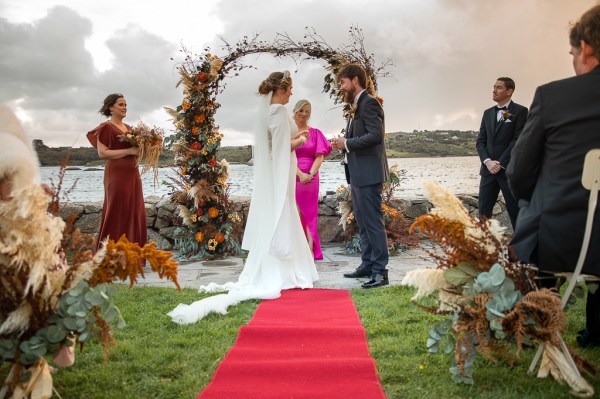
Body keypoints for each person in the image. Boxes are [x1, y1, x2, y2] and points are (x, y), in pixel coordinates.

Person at [168, 71, 318, 324]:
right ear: (282, 88)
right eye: (291, 88)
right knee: (283, 215)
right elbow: (281, 149)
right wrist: (301, 140)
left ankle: (275, 268)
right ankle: (288, 273)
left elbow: (271, 147)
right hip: (279, 178)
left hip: (269, 178)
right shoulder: (280, 112)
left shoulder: (265, 113)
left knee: (273, 219)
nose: (292, 93)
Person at [507, 4, 600, 347]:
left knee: (538, 219)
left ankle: (537, 321)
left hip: (565, 244)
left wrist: (533, 202)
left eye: (573, 53)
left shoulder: (554, 96)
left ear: (586, 48)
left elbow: (518, 173)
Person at [331, 64, 390, 289]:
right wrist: (343, 144)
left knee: (373, 223)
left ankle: (380, 272)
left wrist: (346, 143)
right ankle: (367, 265)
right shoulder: (356, 105)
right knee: (364, 223)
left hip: (368, 173)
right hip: (357, 173)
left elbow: (375, 136)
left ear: (355, 80)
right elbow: (360, 137)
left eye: (343, 82)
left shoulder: (370, 103)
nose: (342, 87)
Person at [86, 94, 146, 251]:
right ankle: (109, 253)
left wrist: (148, 148)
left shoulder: (131, 129)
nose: (125, 107)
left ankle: (131, 253)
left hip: (133, 173)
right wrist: (129, 150)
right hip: (117, 175)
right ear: (111, 108)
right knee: (116, 211)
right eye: (121, 104)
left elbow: (137, 152)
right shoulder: (106, 127)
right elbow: (102, 153)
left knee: (134, 210)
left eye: (126, 104)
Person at [476, 77, 528, 230]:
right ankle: (482, 249)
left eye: (498, 87)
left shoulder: (520, 111)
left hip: (508, 171)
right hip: (488, 171)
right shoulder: (487, 113)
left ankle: (520, 251)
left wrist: (500, 163)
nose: (494, 90)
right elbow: (480, 141)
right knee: (483, 214)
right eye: (494, 87)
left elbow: (518, 140)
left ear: (509, 91)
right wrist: (488, 162)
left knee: (515, 212)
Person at [293, 99, 332, 260]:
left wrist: (309, 173)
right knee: (294, 212)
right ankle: (296, 248)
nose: (304, 114)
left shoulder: (315, 133)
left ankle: (309, 248)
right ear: (295, 111)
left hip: (311, 177)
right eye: (301, 110)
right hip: (292, 175)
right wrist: (299, 174)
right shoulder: (289, 132)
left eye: (307, 111)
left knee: (310, 213)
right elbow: (283, 155)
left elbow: (320, 156)